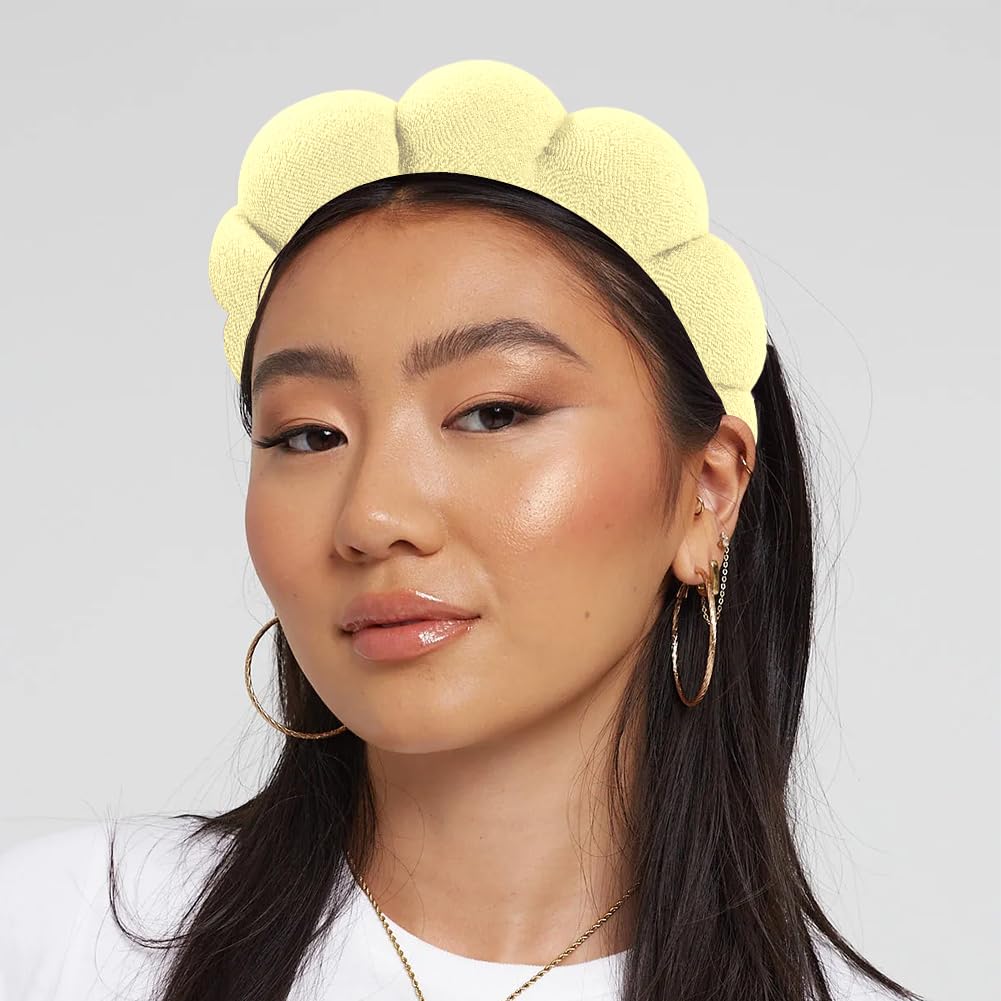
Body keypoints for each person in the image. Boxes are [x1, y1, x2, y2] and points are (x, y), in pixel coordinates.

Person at [0, 60, 927, 1001]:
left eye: (491, 413)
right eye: (309, 434)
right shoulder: (59, 939)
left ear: (706, 492)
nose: (371, 518)